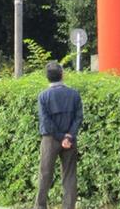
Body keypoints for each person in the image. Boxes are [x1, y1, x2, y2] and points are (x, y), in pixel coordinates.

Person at [34, 61, 83, 209]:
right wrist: (68, 137)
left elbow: (46, 121)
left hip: (50, 139)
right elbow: (78, 117)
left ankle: (40, 206)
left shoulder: (43, 96)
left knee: (45, 174)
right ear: (62, 75)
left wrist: (60, 136)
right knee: (69, 175)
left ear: (47, 77)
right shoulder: (74, 94)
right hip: (69, 138)